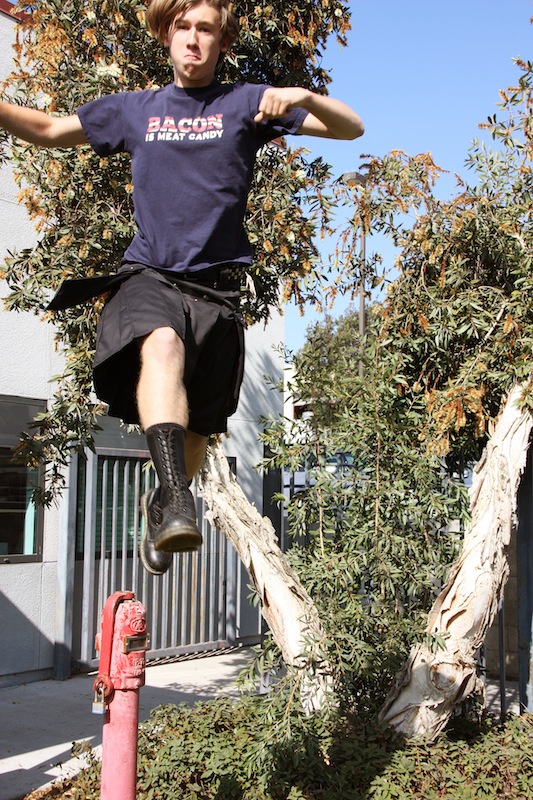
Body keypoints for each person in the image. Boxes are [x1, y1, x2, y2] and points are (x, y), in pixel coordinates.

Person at [0, 0, 364, 576]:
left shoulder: (246, 103)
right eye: (183, 28)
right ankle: (175, 499)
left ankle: (164, 496)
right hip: (152, 275)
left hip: (218, 292)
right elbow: (46, 130)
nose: (193, 40)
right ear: (166, 36)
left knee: (199, 431)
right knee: (161, 346)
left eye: (206, 30)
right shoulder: (135, 110)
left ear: (220, 42)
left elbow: (352, 128)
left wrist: (302, 96)